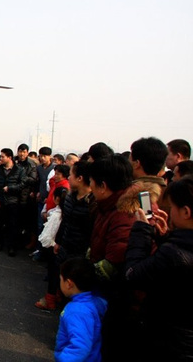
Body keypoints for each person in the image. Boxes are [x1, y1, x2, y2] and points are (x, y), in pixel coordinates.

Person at [125, 176, 193, 360]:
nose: (169, 211)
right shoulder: (177, 248)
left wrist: (141, 230)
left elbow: (133, 275)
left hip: (169, 341)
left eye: (172, 207)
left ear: (186, 212)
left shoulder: (174, 254)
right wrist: (165, 238)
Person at [88, 154, 138, 360]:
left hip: (116, 297)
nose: (90, 188)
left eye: (91, 182)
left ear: (103, 185)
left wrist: (83, 274)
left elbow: (114, 263)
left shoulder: (123, 213)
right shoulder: (110, 204)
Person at [54, 257, 107, 362]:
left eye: (60, 279)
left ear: (69, 284)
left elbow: (80, 347)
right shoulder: (97, 302)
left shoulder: (76, 311)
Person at [0, 148, 25, 256]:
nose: (0, 158)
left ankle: (11, 246)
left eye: (2, 156)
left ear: (9, 157)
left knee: (12, 225)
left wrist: (10, 188)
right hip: (0, 201)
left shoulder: (19, 170)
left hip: (13, 202)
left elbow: (22, 185)